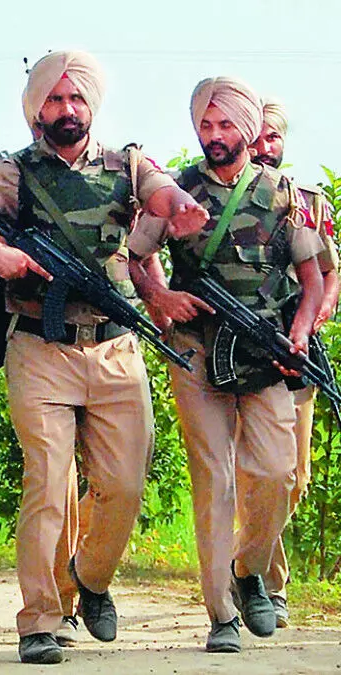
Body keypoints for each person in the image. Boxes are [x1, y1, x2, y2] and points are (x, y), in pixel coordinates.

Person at [0, 50, 208, 664]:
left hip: (114, 348)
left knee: (124, 485)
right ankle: (38, 620)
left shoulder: (125, 163)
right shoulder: (8, 172)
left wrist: (178, 206)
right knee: (49, 486)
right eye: (54, 99)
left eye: (76, 99)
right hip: (40, 347)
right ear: (37, 109)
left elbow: (160, 192)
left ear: (92, 106)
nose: (67, 109)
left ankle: (90, 577)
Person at [129, 77, 324, 653]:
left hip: (264, 354)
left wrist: (299, 331)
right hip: (196, 350)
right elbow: (136, 259)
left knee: (277, 473)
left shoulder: (287, 194)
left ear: (246, 127)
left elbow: (313, 281)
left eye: (225, 126)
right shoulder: (175, 192)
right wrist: (160, 299)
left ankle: (248, 570)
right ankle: (221, 614)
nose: (214, 137)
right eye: (205, 126)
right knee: (214, 477)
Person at [249, 98, 340, 628]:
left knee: (292, 477)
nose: (263, 147)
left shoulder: (305, 201)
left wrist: (309, 324)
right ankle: (263, 582)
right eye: (255, 135)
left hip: (292, 357)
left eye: (272, 138)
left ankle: (255, 570)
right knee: (248, 475)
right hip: (235, 358)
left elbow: (331, 276)